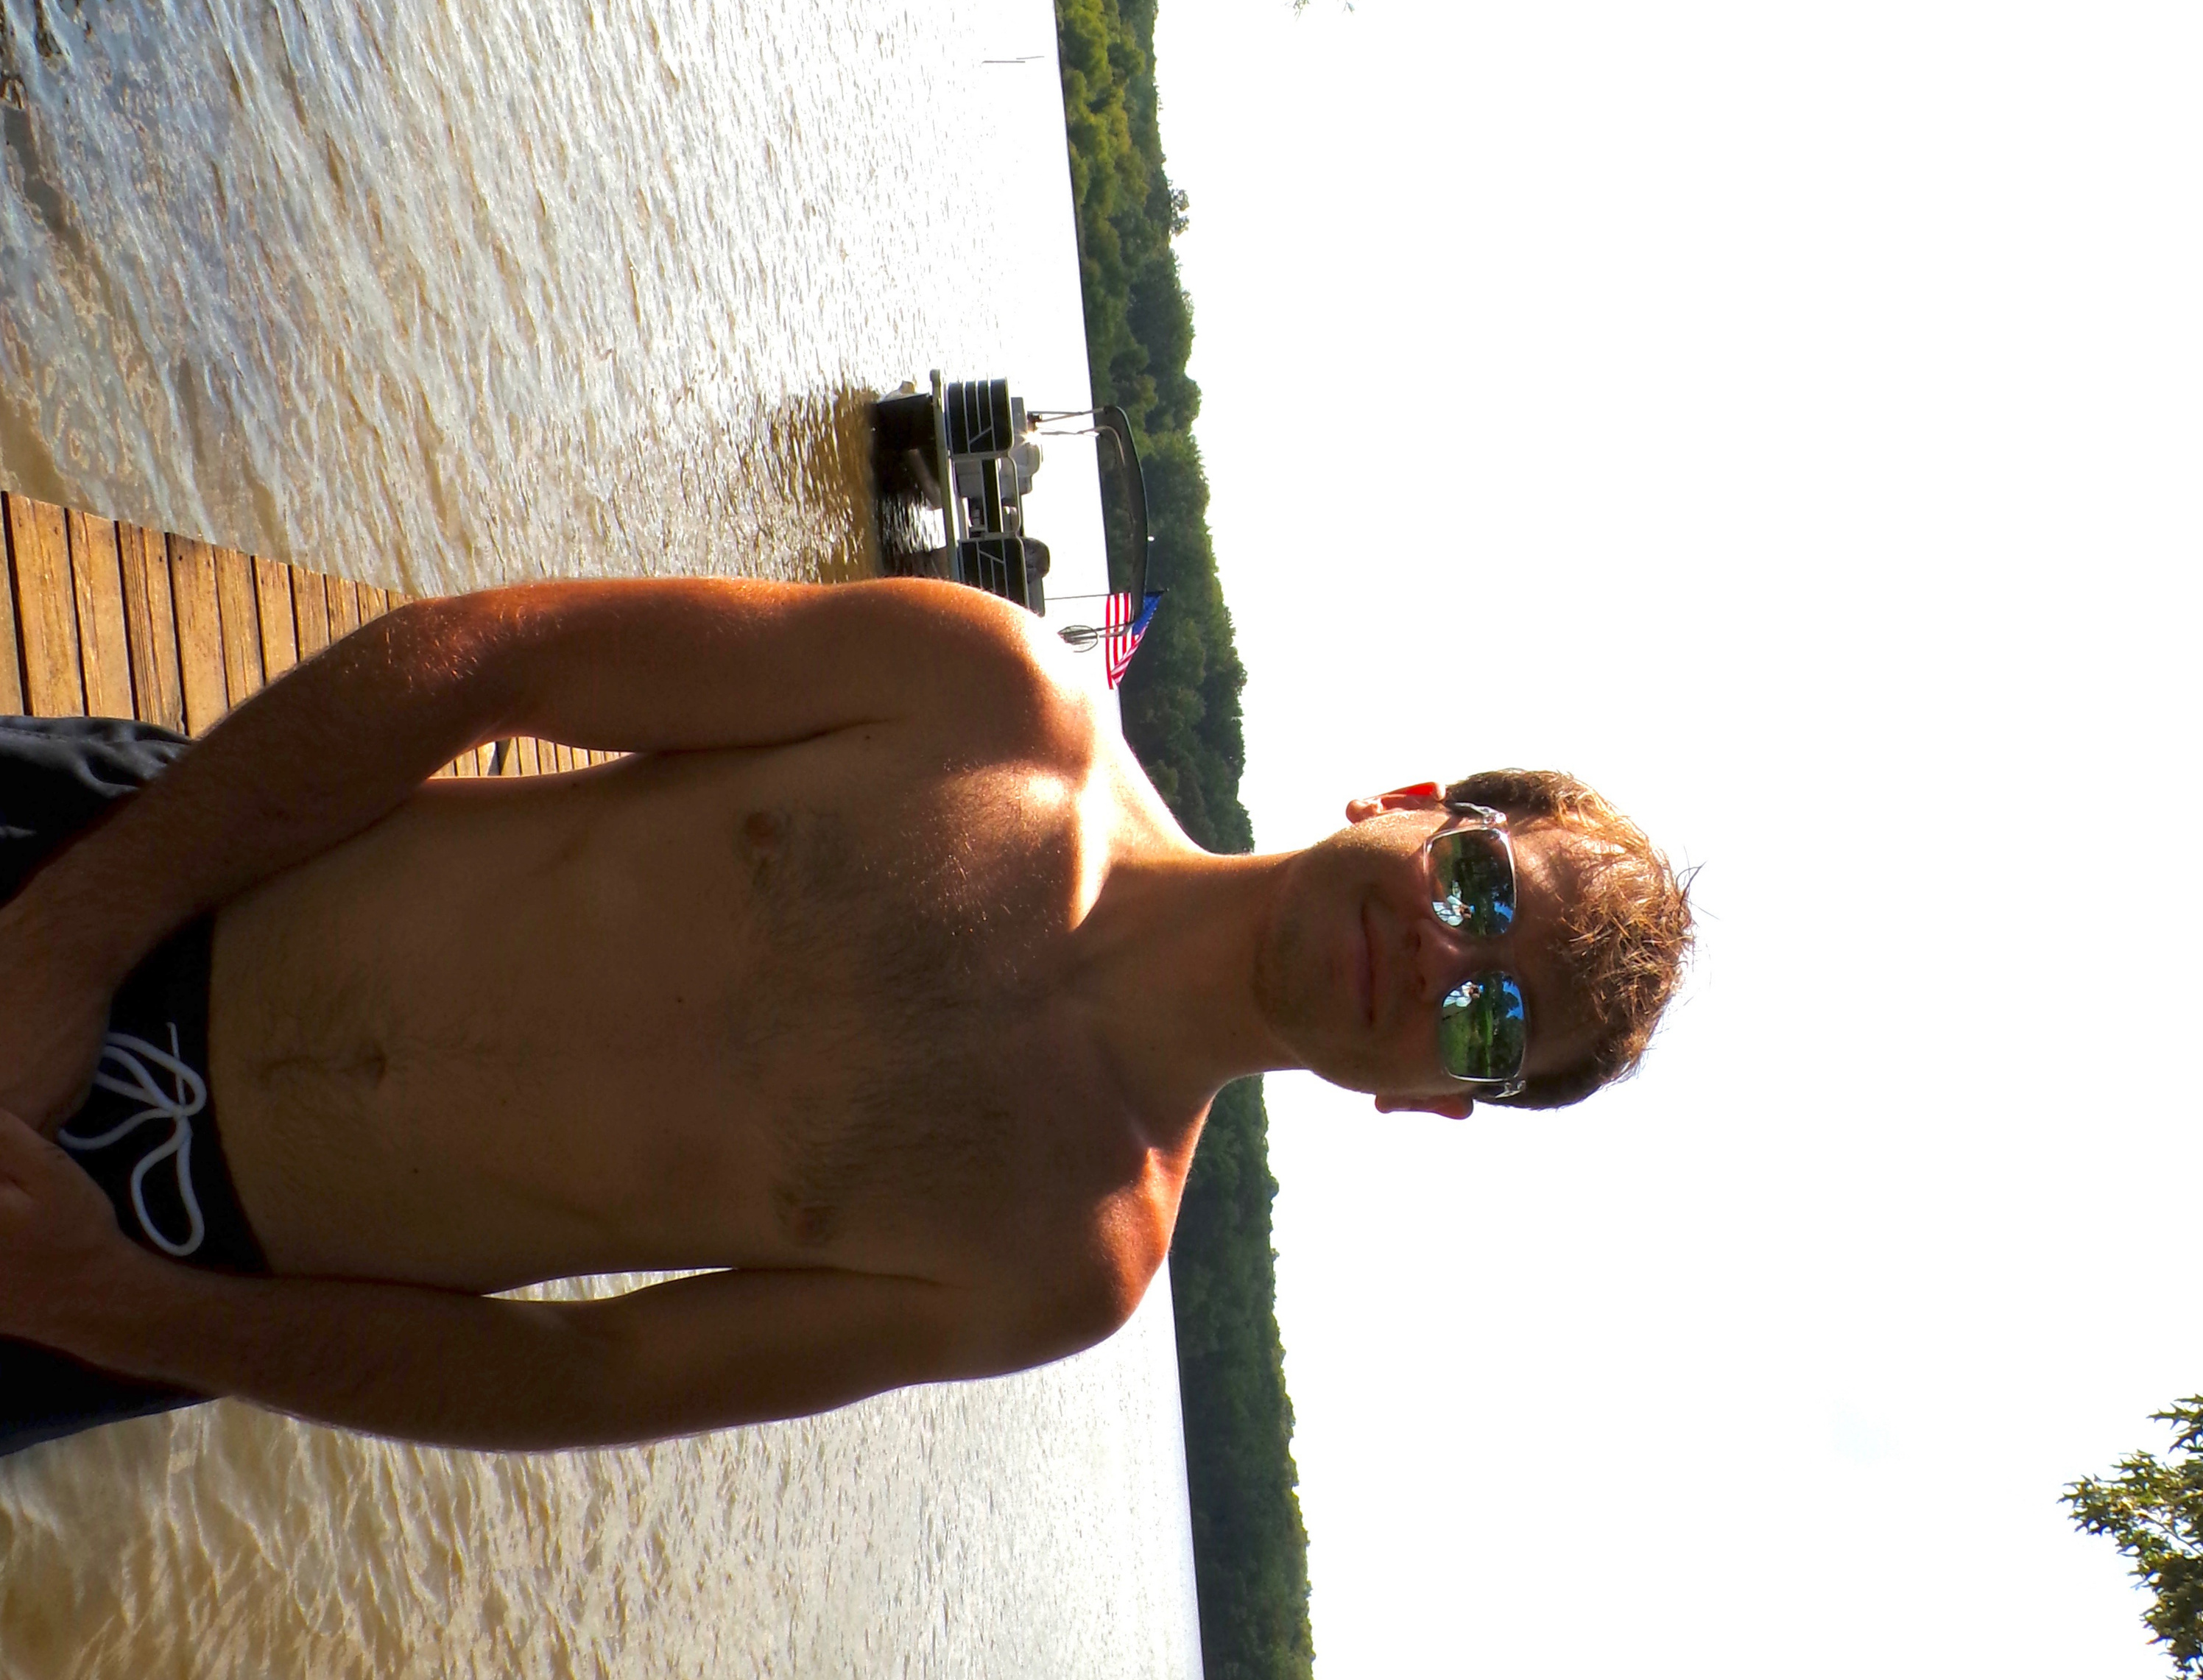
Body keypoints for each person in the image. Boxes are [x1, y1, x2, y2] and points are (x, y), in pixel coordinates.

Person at [0, 578, 1691, 1456]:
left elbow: (591, 1374)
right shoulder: (997, 697)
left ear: (1433, 1102)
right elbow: (490, 656)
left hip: (138, 1255)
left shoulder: (1068, 1258)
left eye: (1491, 1023)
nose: (1442, 957)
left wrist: (125, 1306)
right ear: (1409, 801)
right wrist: (77, 932)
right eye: (1480, 883)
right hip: (141, 869)